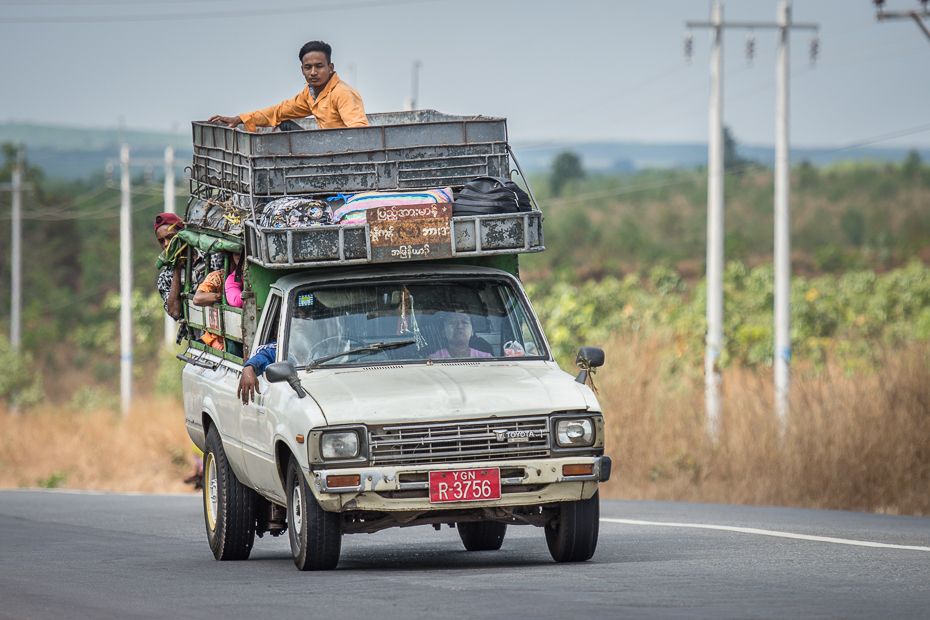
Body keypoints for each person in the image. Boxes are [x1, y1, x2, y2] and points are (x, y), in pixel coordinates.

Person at [209, 40, 368, 132]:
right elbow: (277, 112)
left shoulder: (342, 93)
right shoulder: (310, 94)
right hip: (325, 149)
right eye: (308, 67)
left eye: (319, 66)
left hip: (341, 154)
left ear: (330, 68)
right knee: (281, 122)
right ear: (302, 70)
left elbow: (360, 131)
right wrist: (240, 119)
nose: (313, 72)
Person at [154, 213, 222, 343]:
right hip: (198, 338)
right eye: (161, 241)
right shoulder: (165, 277)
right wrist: (177, 269)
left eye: (170, 237)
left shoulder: (211, 256)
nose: (167, 244)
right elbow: (174, 311)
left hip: (221, 331)